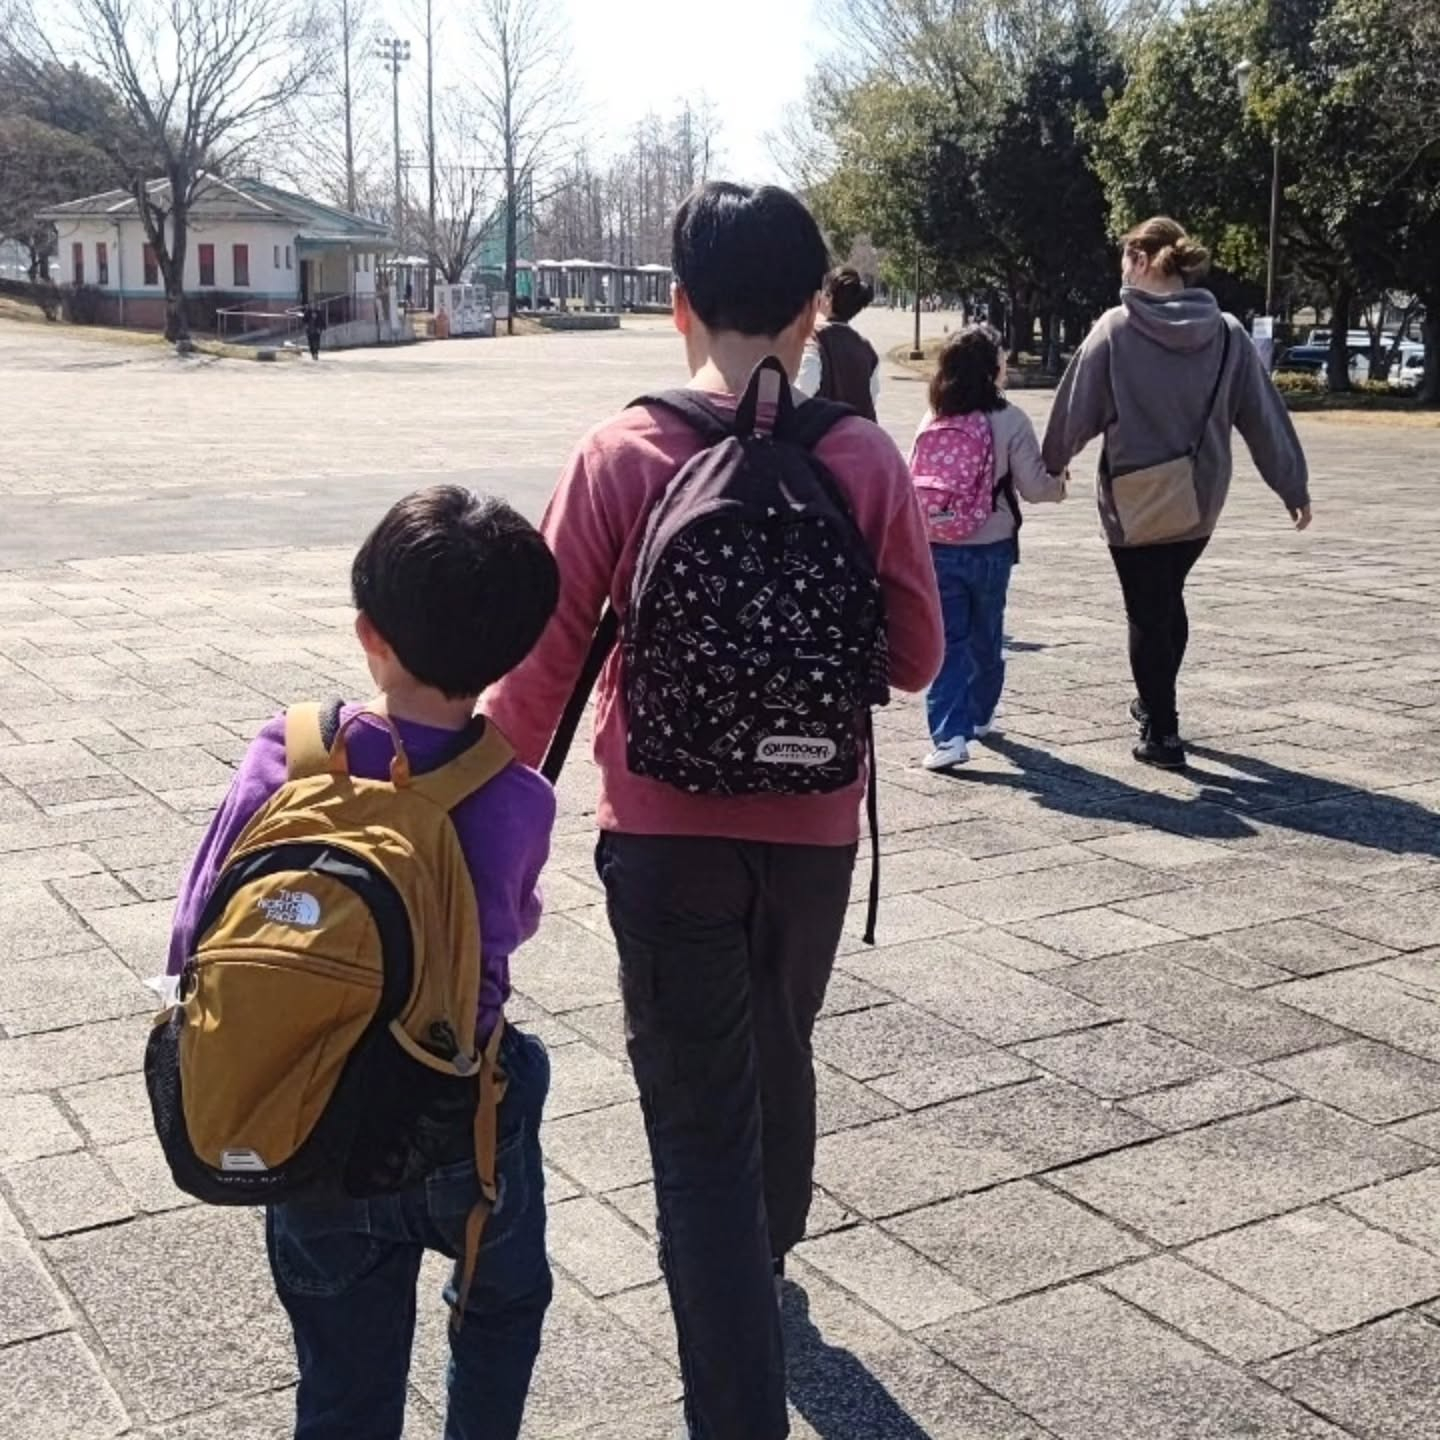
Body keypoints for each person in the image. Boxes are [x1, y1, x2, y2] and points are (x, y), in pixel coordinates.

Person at [485, 181, 943, 1440]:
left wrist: (464, 815)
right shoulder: (859, 454)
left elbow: (544, 667)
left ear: (680, 306)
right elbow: (915, 659)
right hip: (813, 832)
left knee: (695, 1132)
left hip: (663, 833)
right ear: (812, 311)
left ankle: (732, 1398)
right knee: (779, 1045)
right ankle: (772, 1251)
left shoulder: (623, 453)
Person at [167, 488, 560, 1440]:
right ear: (514, 653)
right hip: (458, 1113)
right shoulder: (518, 796)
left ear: (366, 630)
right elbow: (508, 929)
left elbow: (192, 937)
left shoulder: (287, 753)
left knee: (343, 1377)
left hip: (310, 1117)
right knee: (501, 1310)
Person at [1042, 216, 1311, 770]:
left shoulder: (1115, 330)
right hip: (1199, 499)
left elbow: (1075, 408)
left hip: (1133, 500)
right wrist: (1292, 484)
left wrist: (1053, 463)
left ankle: (1162, 732)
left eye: (1124, 259)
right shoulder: (1229, 333)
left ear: (1141, 260)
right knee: (1166, 599)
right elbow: (1263, 417)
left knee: (1147, 609)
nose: (1121, 271)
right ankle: (1154, 704)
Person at [913, 326, 1067, 771]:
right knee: (986, 635)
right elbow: (1035, 488)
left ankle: (948, 737)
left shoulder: (934, 416)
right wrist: (1060, 487)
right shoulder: (1010, 418)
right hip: (992, 543)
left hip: (938, 544)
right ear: (992, 367)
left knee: (948, 642)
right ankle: (979, 716)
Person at [795, 264, 880, 418]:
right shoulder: (867, 349)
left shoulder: (814, 340)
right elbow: (871, 398)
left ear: (828, 298)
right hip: (859, 435)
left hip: (821, 434)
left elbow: (802, 392)